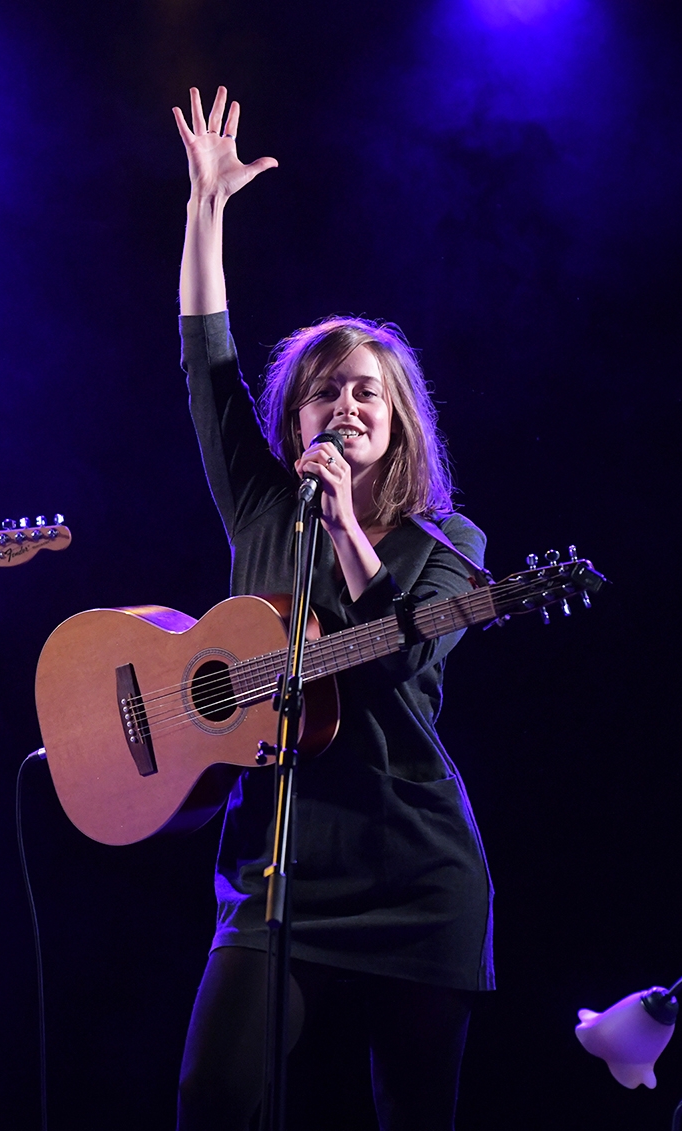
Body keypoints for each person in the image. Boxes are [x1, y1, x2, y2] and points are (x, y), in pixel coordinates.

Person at [171, 88, 494, 1130]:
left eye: (366, 393)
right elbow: (205, 363)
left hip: (413, 875)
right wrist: (204, 209)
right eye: (324, 391)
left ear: (398, 422)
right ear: (293, 415)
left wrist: (350, 520)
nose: (345, 406)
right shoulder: (263, 504)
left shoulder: (451, 548)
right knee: (212, 1093)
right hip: (275, 869)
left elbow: (398, 664)